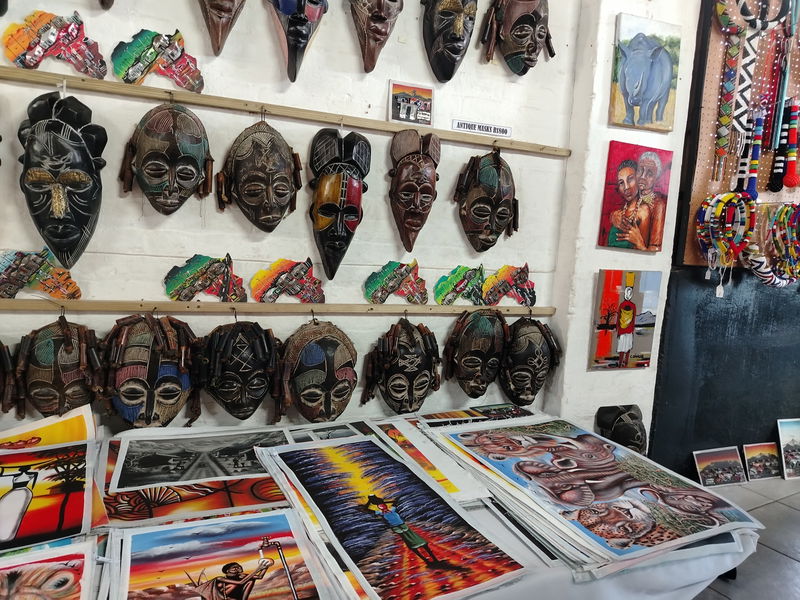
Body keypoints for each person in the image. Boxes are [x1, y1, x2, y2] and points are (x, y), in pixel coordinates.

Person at [367, 494, 437, 564]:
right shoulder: (380, 513)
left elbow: (396, 501)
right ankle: (425, 560)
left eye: (383, 505)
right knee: (410, 543)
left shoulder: (392, 509)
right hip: (396, 527)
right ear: (379, 508)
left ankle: (433, 557)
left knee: (418, 539)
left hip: (403, 525)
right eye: (380, 506)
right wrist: (370, 501)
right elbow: (366, 509)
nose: (382, 507)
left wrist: (383, 502)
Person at [607, 160, 653, 250]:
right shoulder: (617, 213)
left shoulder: (643, 211)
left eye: (630, 179)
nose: (626, 187)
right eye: (621, 183)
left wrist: (639, 243)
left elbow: (642, 252)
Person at [637, 151, 668, 251]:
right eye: (640, 171)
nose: (642, 177)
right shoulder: (631, 197)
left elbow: (655, 248)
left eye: (649, 174)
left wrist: (639, 243)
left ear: (656, 179)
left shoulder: (658, 205)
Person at [201, 559, 273, 600]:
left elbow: (259, 577)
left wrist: (265, 566)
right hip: (219, 598)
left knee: (250, 581)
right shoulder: (220, 578)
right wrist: (258, 569)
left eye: (238, 567)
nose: (237, 568)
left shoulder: (242, 575)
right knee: (234, 585)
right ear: (227, 570)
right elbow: (240, 583)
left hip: (235, 597)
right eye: (234, 567)